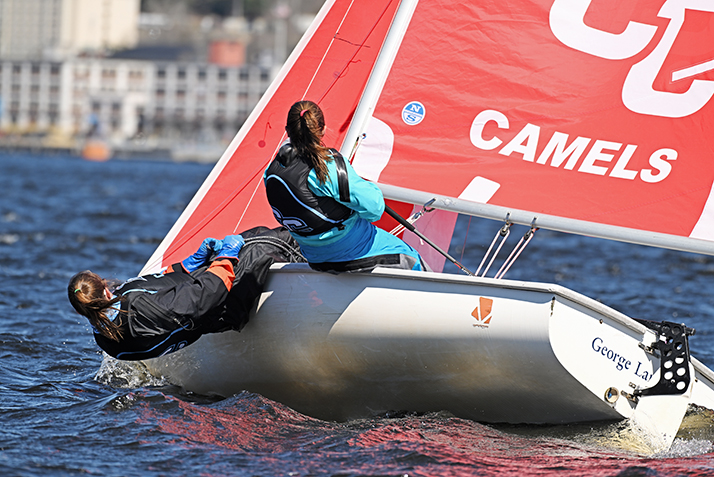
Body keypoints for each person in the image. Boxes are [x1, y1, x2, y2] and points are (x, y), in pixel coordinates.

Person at [68, 226, 304, 361]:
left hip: (203, 296)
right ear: (104, 288)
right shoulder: (137, 309)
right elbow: (205, 296)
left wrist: (190, 263)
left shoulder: (104, 333)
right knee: (266, 243)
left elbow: (160, 285)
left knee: (249, 238)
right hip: (224, 306)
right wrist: (226, 257)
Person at [264, 100, 426, 273]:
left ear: (287, 131)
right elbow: (375, 209)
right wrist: (363, 185)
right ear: (323, 129)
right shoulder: (327, 167)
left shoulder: (271, 170)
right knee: (414, 259)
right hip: (352, 250)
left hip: (314, 256)